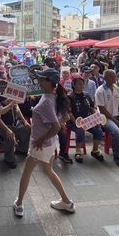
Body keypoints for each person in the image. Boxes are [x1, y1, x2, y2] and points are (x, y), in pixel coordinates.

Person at [13, 69, 76, 217]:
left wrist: (41, 139)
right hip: (50, 144)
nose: (39, 81)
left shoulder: (48, 100)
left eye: (42, 79)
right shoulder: (53, 96)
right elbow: (64, 119)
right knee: (49, 171)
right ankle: (67, 202)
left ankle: (19, 203)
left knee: (26, 173)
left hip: (40, 144)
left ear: (50, 82)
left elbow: (56, 126)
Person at [67, 76, 104, 163]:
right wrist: (77, 122)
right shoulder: (70, 97)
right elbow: (69, 112)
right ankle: (78, 151)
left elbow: (92, 108)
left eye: (82, 84)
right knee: (80, 130)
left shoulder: (86, 95)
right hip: (74, 122)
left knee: (98, 130)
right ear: (74, 85)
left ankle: (95, 150)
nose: (81, 85)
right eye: (79, 84)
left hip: (87, 121)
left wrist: (96, 117)